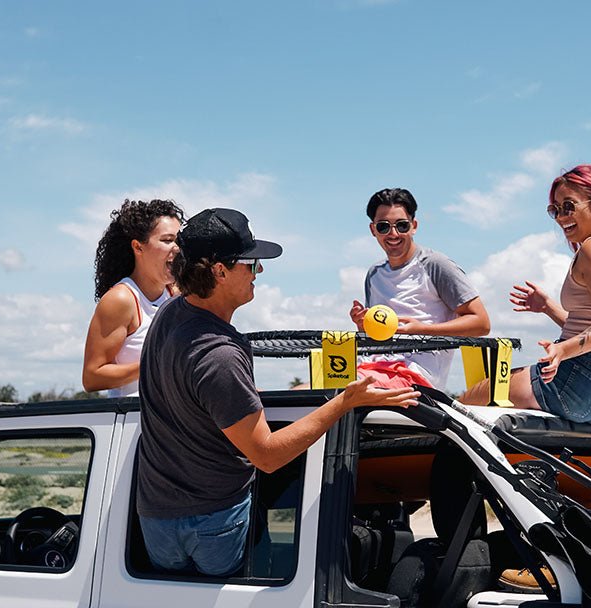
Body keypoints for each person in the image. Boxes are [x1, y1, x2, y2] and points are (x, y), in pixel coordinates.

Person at [136, 207, 419, 577]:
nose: (260, 272)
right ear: (219, 271)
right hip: (213, 522)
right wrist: (345, 403)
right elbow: (267, 457)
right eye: (251, 264)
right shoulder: (219, 355)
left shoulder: (169, 315)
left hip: (155, 518)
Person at [463, 165, 591, 425]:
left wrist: (562, 350)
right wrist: (548, 307)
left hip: (577, 376)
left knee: (467, 401)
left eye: (569, 206)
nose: (560, 216)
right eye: (554, 209)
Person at [349, 188, 490, 389]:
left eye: (402, 225)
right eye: (383, 227)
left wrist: (421, 330)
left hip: (416, 378)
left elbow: (482, 323)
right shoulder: (374, 274)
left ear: (414, 226)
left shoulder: (436, 265)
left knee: (337, 392)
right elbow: (377, 337)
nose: (393, 233)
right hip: (371, 369)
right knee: (304, 392)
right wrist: (364, 326)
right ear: (373, 230)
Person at [82, 199, 185, 397]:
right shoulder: (122, 299)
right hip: (132, 423)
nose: (177, 248)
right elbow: (92, 377)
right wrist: (152, 365)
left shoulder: (176, 294)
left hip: (171, 422)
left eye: (179, 241)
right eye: (167, 240)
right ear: (138, 247)